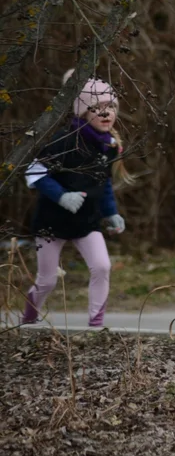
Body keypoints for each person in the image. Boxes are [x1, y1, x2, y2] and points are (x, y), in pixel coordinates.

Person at [22, 71, 133, 328]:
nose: (106, 114)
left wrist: (111, 213)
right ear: (83, 112)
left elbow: (103, 183)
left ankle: (96, 324)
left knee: (102, 267)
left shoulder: (109, 145)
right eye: (97, 108)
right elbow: (35, 172)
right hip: (52, 222)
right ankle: (28, 318)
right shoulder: (64, 141)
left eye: (111, 107)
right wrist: (62, 196)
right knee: (47, 280)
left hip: (87, 221)